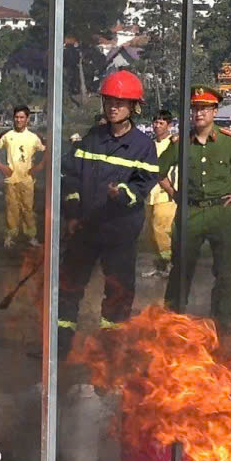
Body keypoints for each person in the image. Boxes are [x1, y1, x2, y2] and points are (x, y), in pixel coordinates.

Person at [58, 70, 159, 362]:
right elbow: (72, 177)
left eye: (121, 102)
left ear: (134, 108)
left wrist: (123, 194)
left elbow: (142, 187)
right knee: (68, 286)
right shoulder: (91, 139)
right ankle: (60, 346)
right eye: (109, 101)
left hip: (119, 233)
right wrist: (73, 212)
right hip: (85, 229)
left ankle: (109, 352)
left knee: (117, 293)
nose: (113, 107)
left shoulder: (143, 146)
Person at [165, 86, 231, 330]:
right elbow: (158, 170)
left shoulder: (228, 141)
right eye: (195, 108)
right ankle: (173, 322)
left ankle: (222, 324)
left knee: (227, 272)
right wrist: (174, 194)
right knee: (181, 269)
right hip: (190, 212)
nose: (198, 113)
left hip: (222, 212)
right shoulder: (180, 143)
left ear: (215, 112)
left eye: (205, 108)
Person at [0, 105, 44, 249]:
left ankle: (31, 235)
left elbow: (46, 150)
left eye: (22, 117)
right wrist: (0, 165)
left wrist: (39, 166)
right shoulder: (7, 135)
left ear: (27, 119)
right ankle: (10, 236)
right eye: (16, 117)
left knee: (28, 208)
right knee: (11, 208)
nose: (18, 120)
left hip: (27, 179)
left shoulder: (33, 137)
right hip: (11, 179)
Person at [145, 109, 179, 277]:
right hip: (149, 196)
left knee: (161, 230)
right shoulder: (149, 144)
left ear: (169, 125)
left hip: (166, 195)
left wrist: (174, 191)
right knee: (150, 234)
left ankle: (169, 263)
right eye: (155, 122)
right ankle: (160, 266)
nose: (157, 126)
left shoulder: (173, 144)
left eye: (161, 123)